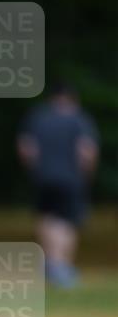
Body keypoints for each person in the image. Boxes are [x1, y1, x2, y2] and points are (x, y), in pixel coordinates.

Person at [17, 83, 99, 287]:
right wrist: (87, 174)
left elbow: (26, 149)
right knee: (68, 221)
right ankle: (63, 266)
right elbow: (86, 151)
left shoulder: (39, 118)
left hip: (44, 177)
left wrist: (36, 170)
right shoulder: (79, 119)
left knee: (47, 217)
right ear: (72, 99)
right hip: (71, 178)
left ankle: (52, 262)